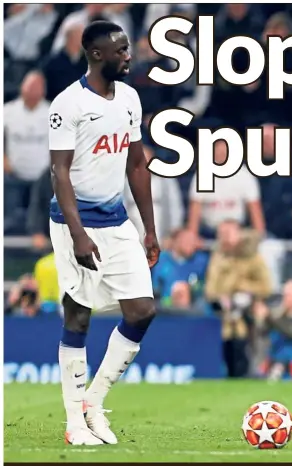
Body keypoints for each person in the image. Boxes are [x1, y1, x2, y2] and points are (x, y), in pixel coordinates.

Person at [47, 20, 159, 446]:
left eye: (127, 48)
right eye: (121, 50)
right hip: (74, 223)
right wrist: (77, 233)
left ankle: (92, 402)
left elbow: (136, 164)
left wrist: (149, 228)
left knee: (143, 310)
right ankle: (75, 425)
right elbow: (59, 172)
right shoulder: (68, 104)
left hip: (116, 221)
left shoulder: (129, 98)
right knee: (78, 314)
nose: (128, 56)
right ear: (96, 55)